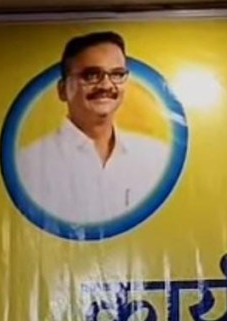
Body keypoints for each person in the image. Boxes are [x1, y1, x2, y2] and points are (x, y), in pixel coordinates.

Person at [16, 31, 171, 225]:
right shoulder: (28, 164)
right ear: (62, 90)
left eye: (117, 74)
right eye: (91, 75)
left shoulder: (156, 156)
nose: (106, 85)